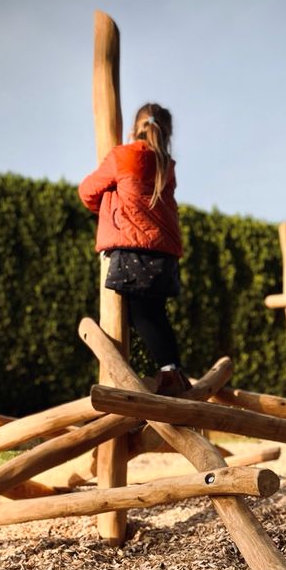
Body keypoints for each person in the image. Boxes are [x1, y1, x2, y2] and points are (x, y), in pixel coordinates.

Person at [78, 102, 191, 396]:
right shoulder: (166, 165)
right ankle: (172, 371)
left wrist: (105, 203)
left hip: (134, 248)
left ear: (133, 128)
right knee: (153, 314)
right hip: (164, 251)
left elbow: (87, 190)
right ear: (167, 134)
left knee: (141, 315)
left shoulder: (122, 156)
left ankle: (166, 375)